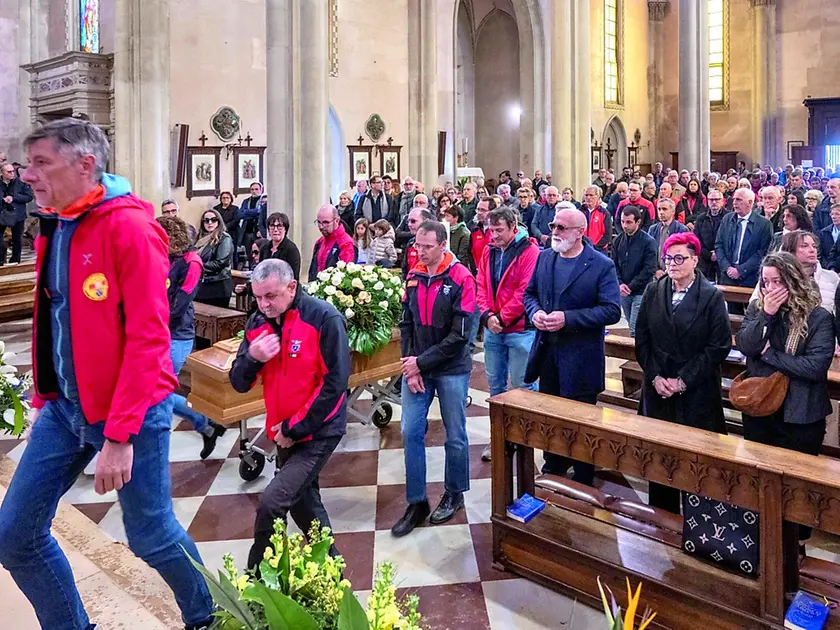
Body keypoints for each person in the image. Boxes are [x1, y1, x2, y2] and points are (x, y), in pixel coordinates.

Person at [0, 118, 215, 630]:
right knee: (15, 534)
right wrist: (44, 397)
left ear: (85, 165)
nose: (27, 175)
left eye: (40, 163)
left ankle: (211, 617)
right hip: (68, 408)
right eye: (27, 164)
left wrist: (118, 437)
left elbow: (149, 341)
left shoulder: (131, 229)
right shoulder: (59, 222)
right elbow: (58, 317)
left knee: (151, 534)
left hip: (132, 409)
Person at [230, 259, 350, 569]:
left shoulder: (324, 318)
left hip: (318, 430)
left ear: (292, 287)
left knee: (272, 503)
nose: (264, 304)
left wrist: (293, 428)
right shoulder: (258, 323)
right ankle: (333, 570)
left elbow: (334, 384)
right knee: (303, 504)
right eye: (258, 297)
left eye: (270, 296)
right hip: (283, 431)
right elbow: (239, 382)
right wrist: (253, 358)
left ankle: (255, 577)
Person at [736, 251, 834, 548]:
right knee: (760, 480)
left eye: (777, 281)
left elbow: (814, 367)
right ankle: (761, 540)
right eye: (765, 282)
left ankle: (796, 546)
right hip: (761, 411)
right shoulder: (758, 310)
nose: (771, 288)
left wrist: (770, 355)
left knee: (797, 488)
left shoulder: (819, 317)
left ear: (793, 280)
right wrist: (766, 314)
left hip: (800, 415)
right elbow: (745, 344)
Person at [523, 206, 621, 485]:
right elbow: (529, 294)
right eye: (553, 226)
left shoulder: (601, 265)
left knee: (581, 420)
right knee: (551, 416)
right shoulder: (545, 259)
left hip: (581, 357)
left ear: (580, 232)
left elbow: (611, 310)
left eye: (561, 228)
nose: (554, 231)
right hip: (548, 353)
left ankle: (582, 474)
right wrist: (535, 313)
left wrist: (568, 319)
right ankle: (553, 466)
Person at [635, 232, 732, 513]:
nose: (673, 263)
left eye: (680, 258)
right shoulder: (655, 290)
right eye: (668, 258)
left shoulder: (711, 295)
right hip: (658, 388)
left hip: (696, 390)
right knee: (659, 459)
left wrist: (683, 381)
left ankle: (698, 521)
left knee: (696, 465)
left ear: (694, 260)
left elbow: (718, 346)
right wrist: (655, 377)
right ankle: (662, 519)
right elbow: (642, 339)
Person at [392, 220, 476, 537]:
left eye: (427, 246)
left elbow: (460, 336)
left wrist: (420, 363)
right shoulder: (413, 276)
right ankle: (416, 502)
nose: (421, 251)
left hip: (451, 366)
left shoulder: (460, 278)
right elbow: (406, 324)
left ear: (443, 245)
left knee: (454, 433)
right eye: (418, 245)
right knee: (410, 430)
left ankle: (454, 492)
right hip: (418, 364)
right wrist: (409, 363)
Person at [157, 215, 227, 459]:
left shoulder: (192, 262)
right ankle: (206, 425)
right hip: (158, 332)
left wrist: (154, 320)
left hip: (177, 334)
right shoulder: (168, 258)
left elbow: (179, 303)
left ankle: (160, 446)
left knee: (159, 392)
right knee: (156, 392)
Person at [477, 206, 539, 462]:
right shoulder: (489, 249)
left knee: (524, 386)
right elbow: (480, 282)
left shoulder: (529, 251)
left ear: (514, 227)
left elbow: (525, 290)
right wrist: (487, 316)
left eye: (499, 230)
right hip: (493, 328)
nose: (494, 235)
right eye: (491, 230)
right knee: (496, 387)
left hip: (519, 330)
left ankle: (526, 439)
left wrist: (501, 318)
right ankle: (499, 437)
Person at [750, 230, 838, 314]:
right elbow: (755, 307)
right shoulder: (773, 276)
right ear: (790, 251)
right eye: (804, 246)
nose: (812, 250)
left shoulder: (831, 277)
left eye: (814, 246)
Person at [714, 188, 773, 289]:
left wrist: (741, 270)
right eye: (734, 199)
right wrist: (727, 267)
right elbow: (719, 245)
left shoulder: (764, 224)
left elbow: (763, 252)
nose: (734, 203)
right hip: (727, 276)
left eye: (739, 200)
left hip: (750, 277)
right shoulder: (727, 219)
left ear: (750, 202)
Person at [612, 206, 657, 337]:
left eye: (629, 222)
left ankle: (638, 355)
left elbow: (649, 268)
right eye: (622, 221)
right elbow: (614, 265)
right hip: (624, 290)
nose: (625, 225)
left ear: (638, 222)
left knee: (634, 327)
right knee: (633, 324)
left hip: (641, 290)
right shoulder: (618, 240)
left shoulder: (648, 242)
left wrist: (631, 286)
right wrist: (620, 283)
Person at [194, 207, 234, 308]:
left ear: (219, 221)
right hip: (202, 284)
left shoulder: (224, 238)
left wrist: (196, 266)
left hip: (218, 285)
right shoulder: (199, 239)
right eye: (206, 220)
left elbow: (220, 262)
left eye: (213, 220)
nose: (210, 223)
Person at [308, 204, 356, 282]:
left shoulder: (346, 243)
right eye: (318, 222)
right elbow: (312, 272)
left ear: (336, 220)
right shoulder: (319, 242)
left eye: (325, 222)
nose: (321, 226)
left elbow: (345, 277)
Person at [0, 163, 33, 265]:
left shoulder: (20, 183)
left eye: (13, 171)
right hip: (2, 214)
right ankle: (0, 260)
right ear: (2, 173)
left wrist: (13, 198)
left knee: (17, 239)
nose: (12, 174)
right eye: (9, 172)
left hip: (17, 215)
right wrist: (3, 199)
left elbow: (28, 197)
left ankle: (15, 260)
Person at [693, 187, 729, 280]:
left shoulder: (729, 218)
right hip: (705, 259)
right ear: (707, 201)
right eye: (711, 200)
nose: (714, 202)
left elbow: (731, 239)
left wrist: (718, 253)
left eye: (717, 200)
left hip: (724, 259)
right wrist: (709, 255)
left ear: (722, 201)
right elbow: (696, 240)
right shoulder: (701, 218)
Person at [649, 198, 688, 277]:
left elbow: (683, 254)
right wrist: (656, 270)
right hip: (655, 274)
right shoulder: (653, 229)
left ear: (673, 211)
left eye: (664, 209)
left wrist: (671, 268)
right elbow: (649, 253)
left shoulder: (681, 229)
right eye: (659, 209)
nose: (661, 212)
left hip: (675, 272)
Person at [259, 212, 301, 280]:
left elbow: (293, 276)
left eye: (279, 226)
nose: (275, 230)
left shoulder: (291, 249)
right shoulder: (264, 248)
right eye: (272, 226)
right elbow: (260, 273)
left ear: (285, 229)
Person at [401, 207, 435, 277]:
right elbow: (405, 269)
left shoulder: (436, 244)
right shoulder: (410, 243)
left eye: (413, 221)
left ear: (426, 221)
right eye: (408, 221)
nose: (409, 225)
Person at [581, 187, 612, 255]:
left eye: (591, 195)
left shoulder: (604, 213)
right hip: (582, 249)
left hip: (599, 250)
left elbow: (607, 234)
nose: (588, 197)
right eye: (586, 195)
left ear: (597, 196)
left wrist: (596, 247)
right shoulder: (580, 212)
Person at [238, 181, 267, 253]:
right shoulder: (246, 201)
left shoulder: (264, 200)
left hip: (259, 232)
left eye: (256, 189)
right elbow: (240, 215)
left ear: (261, 190)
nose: (254, 191)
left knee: (260, 252)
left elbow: (260, 212)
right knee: (249, 254)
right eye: (252, 189)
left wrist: (247, 211)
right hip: (247, 232)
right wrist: (255, 213)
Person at [819, 204, 840, 271]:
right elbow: (821, 254)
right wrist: (829, 268)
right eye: (832, 214)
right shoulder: (824, 232)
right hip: (828, 269)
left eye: (837, 214)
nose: (834, 217)